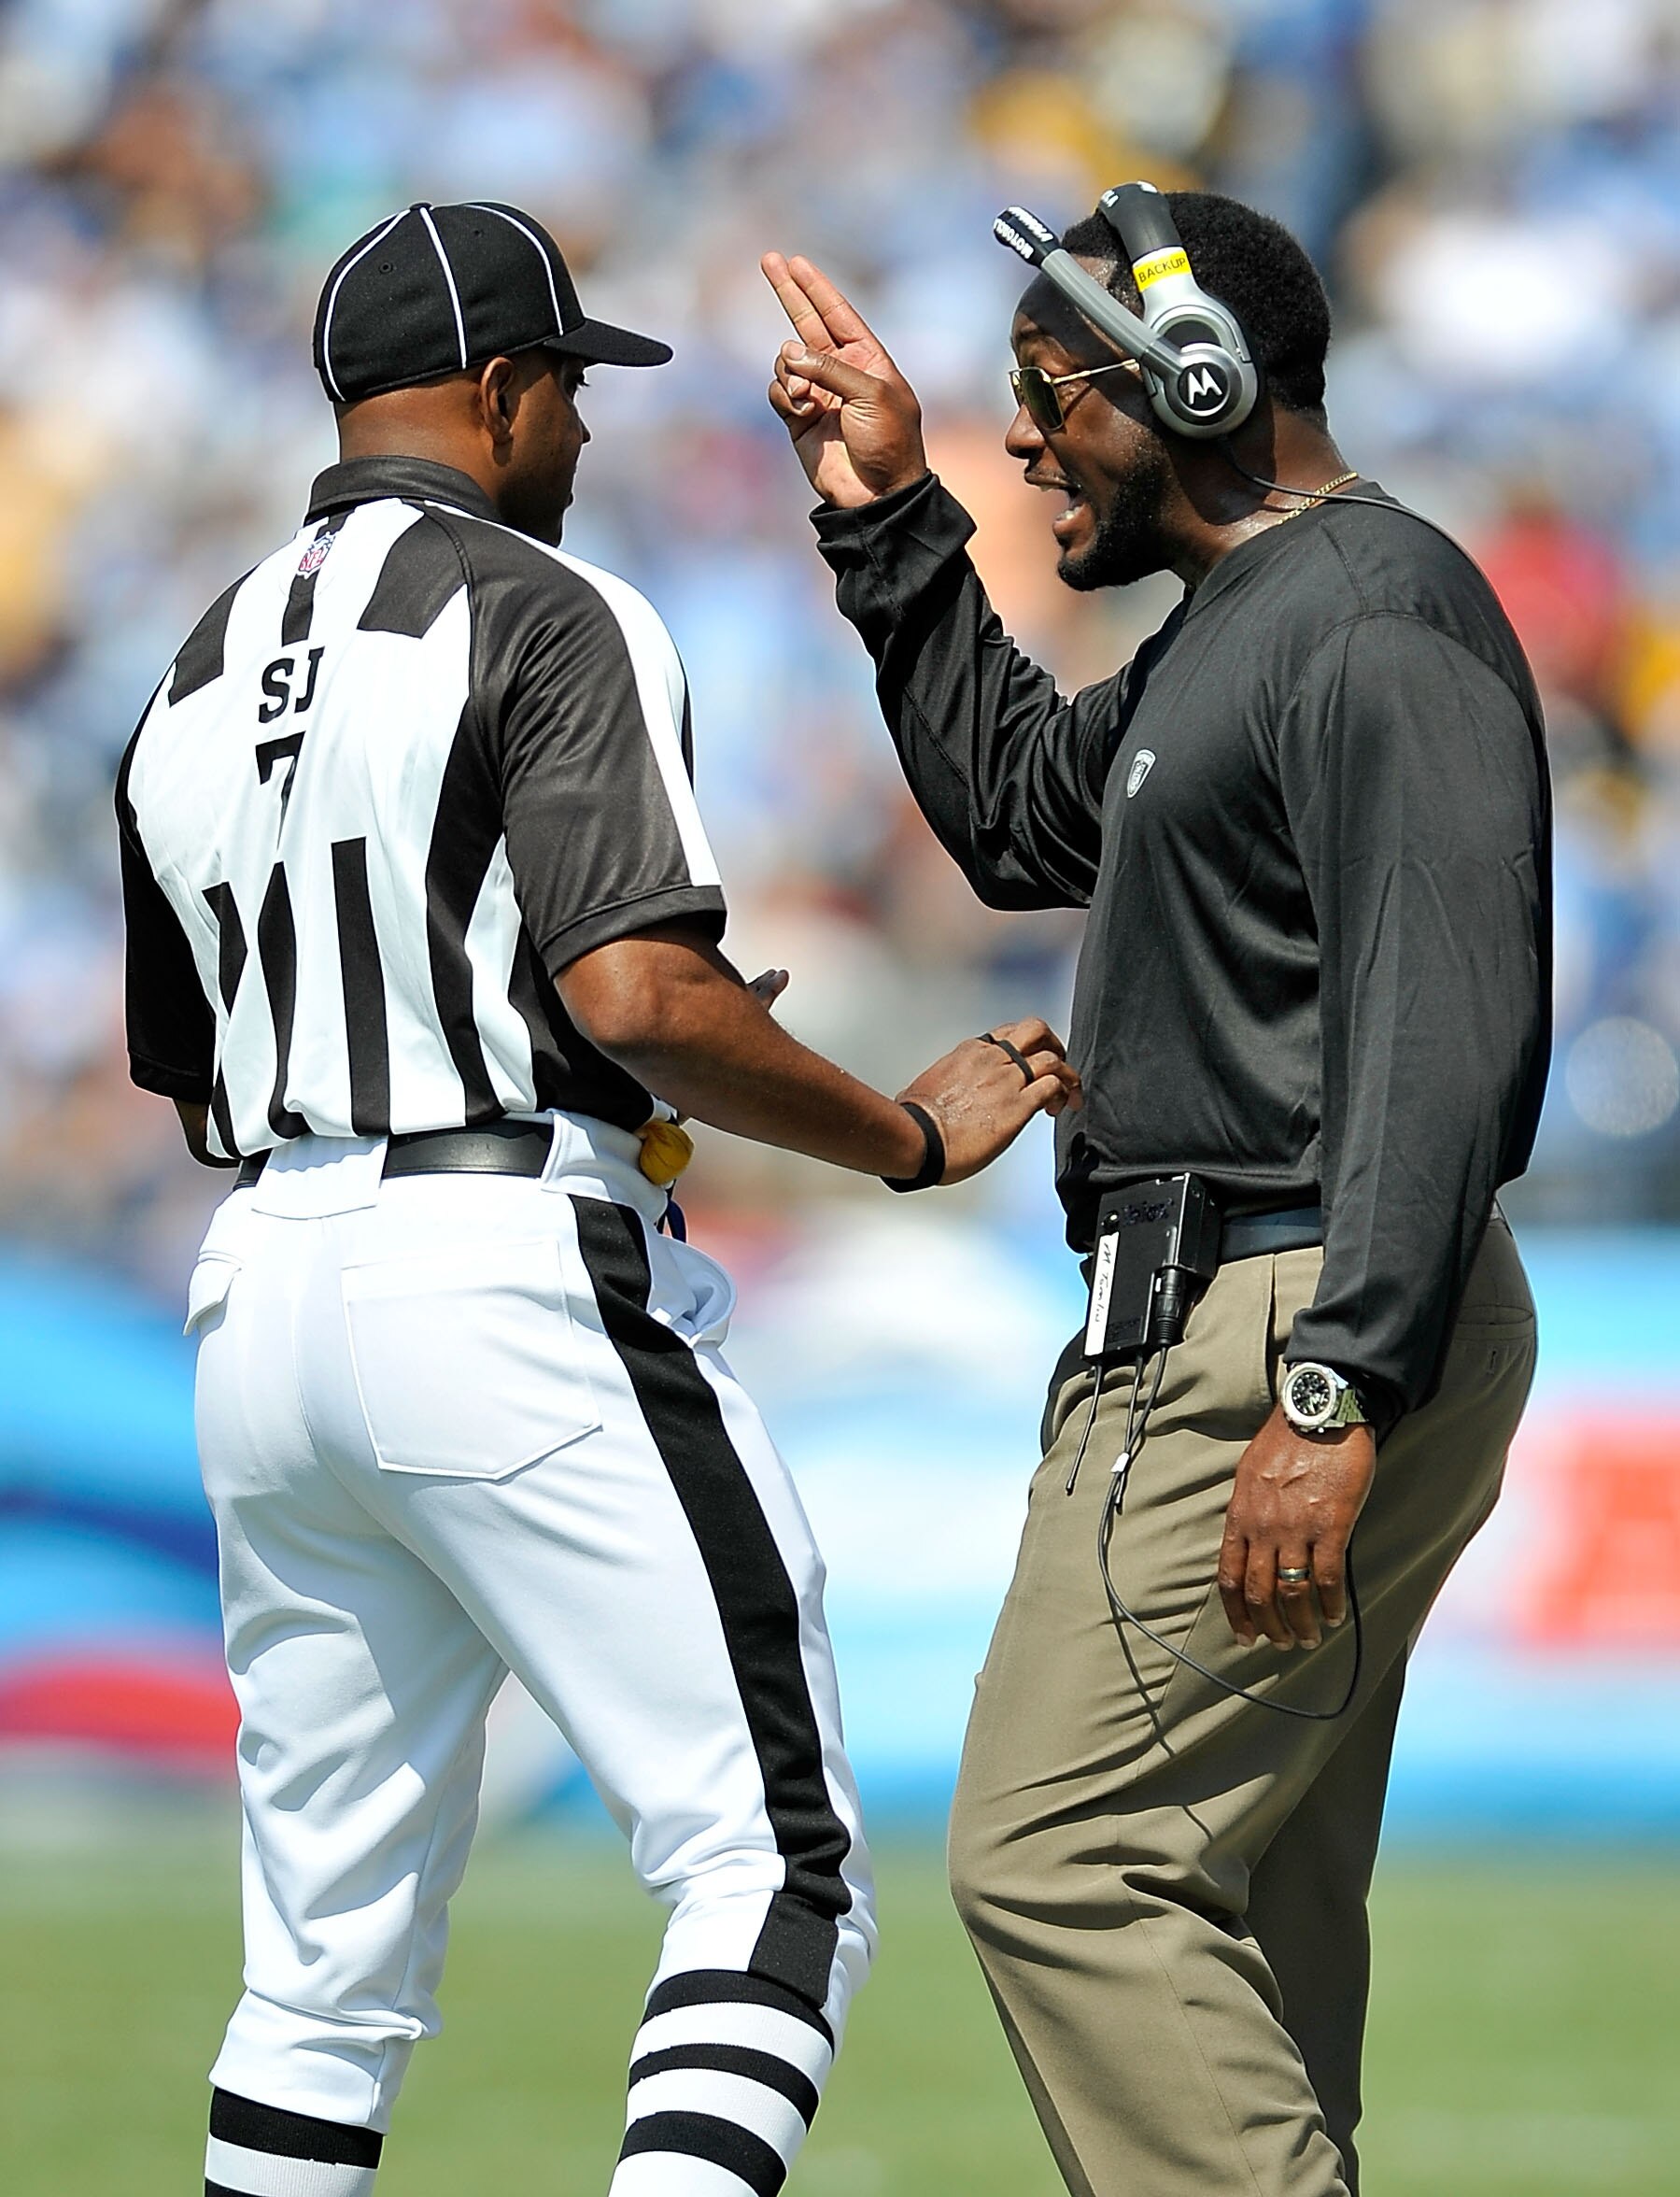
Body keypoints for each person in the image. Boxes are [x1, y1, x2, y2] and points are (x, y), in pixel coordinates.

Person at [116, 198, 1079, 2197]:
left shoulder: (191, 665)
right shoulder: (554, 608)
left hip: (266, 1277)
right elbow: (634, 996)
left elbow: (194, 1055)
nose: (583, 431)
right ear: (496, 388)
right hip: (499, 1259)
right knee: (772, 1858)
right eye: (568, 387)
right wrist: (896, 1134)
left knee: (316, 1976)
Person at [762, 188, 1547, 2197]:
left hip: (1282, 1310)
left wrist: (1335, 1381)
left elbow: (1439, 1016)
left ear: (1197, 384)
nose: (1022, 440)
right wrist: (882, 522)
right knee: (1244, 1900)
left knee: (1061, 1853)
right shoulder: (1255, 625)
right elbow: (1030, 816)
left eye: (1054, 393)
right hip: (1270, 1303)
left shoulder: (1368, 615)